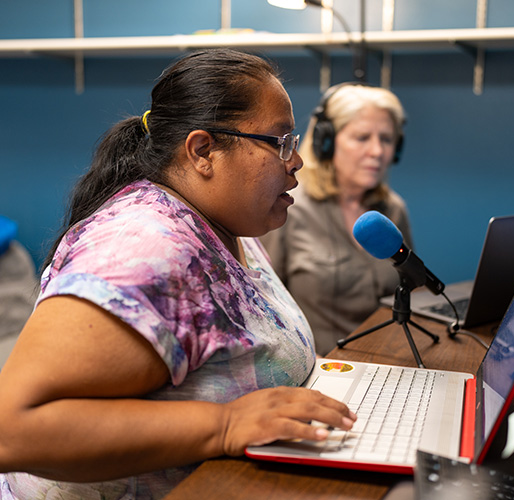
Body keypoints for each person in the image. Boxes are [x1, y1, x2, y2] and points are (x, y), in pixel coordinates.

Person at [0, 48, 356, 499]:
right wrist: (225, 425)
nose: (297, 160)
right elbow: (11, 429)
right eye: (280, 142)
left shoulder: (227, 224)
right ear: (203, 151)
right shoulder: (142, 246)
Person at [261, 83, 413, 355]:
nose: (377, 151)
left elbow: (410, 286)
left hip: (389, 361)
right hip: (321, 369)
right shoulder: (287, 208)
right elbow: (263, 308)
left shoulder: (393, 208)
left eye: (387, 139)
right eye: (362, 137)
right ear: (326, 143)